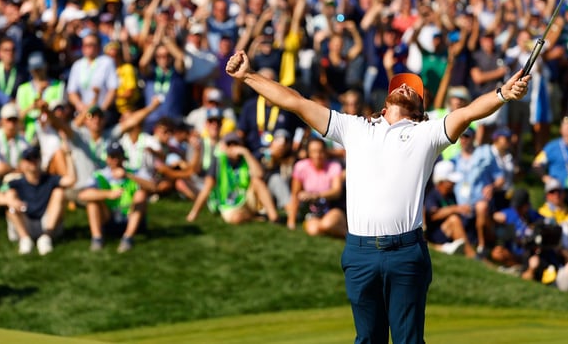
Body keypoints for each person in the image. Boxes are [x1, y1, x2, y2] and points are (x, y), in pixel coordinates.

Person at [221, 49, 530, 343]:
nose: (406, 89)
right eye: (400, 87)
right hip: (360, 253)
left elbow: (469, 113)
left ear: (420, 110)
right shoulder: (354, 128)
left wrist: (503, 93)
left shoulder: (428, 133)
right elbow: (295, 102)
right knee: (368, 339)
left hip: (406, 252)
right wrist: (248, 76)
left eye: (413, 90)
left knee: (409, 341)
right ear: (385, 103)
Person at [0, 145, 76, 255]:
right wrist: (10, 202)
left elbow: (71, 180)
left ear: (40, 160)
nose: (32, 162)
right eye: (28, 159)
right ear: (22, 163)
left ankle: (46, 237)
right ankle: (25, 239)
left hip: (47, 222)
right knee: (10, 195)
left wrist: (68, 156)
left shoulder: (50, 179)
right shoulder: (15, 182)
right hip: (25, 221)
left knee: (59, 193)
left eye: (35, 157)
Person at [186, 131, 280, 225]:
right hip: (227, 202)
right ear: (224, 147)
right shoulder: (218, 161)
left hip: (245, 199)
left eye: (236, 144)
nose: (233, 147)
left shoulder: (246, 158)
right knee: (236, 218)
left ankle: (274, 217)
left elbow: (259, 174)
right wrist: (194, 213)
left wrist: (246, 153)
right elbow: (207, 188)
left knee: (257, 181)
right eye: (229, 144)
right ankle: (252, 216)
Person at [78, 142, 155, 253]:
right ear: (107, 158)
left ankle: (128, 238)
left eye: (118, 156)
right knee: (92, 202)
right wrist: (108, 194)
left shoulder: (135, 172)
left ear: (123, 157)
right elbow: (83, 195)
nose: (115, 160)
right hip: (109, 217)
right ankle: (97, 239)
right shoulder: (99, 175)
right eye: (112, 157)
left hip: (130, 216)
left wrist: (128, 175)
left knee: (141, 194)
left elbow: (153, 187)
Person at [286, 137, 347, 238]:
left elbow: (336, 192)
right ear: (308, 153)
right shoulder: (301, 167)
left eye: (320, 151)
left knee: (327, 224)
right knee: (313, 230)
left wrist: (316, 196)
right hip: (314, 211)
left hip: (334, 207)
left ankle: (347, 234)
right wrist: (291, 221)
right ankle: (337, 231)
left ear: (325, 152)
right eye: (313, 151)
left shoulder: (334, 166)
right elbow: (295, 194)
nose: (317, 155)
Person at [423, 160, 476, 258]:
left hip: (448, 232)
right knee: (453, 220)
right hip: (436, 234)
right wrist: (455, 209)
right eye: (450, 182)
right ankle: (471, 255)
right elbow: (433, 215)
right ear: (441, 181)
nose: (454, 184)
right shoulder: (433, 195)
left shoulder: (451, 195)